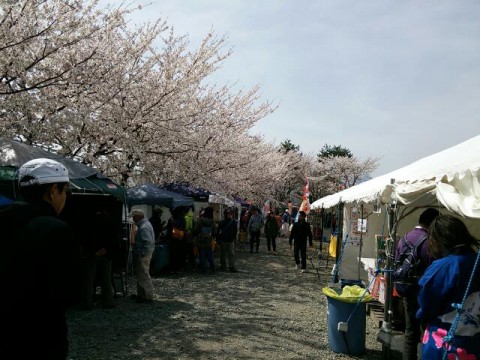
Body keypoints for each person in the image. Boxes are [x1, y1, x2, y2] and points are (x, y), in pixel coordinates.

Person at [0, 158, 79, 359]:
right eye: (65, 192)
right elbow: (67, 292)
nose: (65, 198)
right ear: (53, 190)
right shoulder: (55, 229)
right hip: (40, 336)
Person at [416, 215, 480, 359]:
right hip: (474, 345)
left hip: (445, 344)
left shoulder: (444, 266)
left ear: (438, 240)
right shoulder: (476, 261)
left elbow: (427, 304)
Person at [395, 208, 439, 360]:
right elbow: (434, 268)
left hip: (406, 289)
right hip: (424, 292)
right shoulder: (430, 241)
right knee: (427, 331)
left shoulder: (404, 238)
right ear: (433, 223)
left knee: (410, 331)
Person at [80, 210, 117, 310]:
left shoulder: (90, 223)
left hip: (93, 254)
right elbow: (113, 239)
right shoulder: (110, 223)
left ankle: (87, 303)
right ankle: (108, 301)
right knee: (106, 280)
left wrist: (93, 251)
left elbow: (86, 238)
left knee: (89, 280)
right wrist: (106, 249)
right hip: (106, 254)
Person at [129, 208, 155, 303]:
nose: (133, 219)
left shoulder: (144, 226)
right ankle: (142, 295)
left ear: (139, 216)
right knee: (141, 274)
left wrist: (142, 254)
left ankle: (147, 297)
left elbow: (147, 242)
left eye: (134, 217)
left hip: (143, 254)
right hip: (144, 253)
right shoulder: (145, 224)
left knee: (143, 275)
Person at [194, 206, 216, 274]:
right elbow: (215, 232)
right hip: (208, 240)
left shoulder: (200, 220)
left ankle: (203, 270)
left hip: (200, 239)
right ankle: (213, 269)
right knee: (209, 255)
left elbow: (195, 230)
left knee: (201, 255)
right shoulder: (212, 222)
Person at [217, 208, 238, 272]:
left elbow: (235, 231)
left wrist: (234, 238)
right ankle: (223, 266)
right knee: (222, 254)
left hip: (231, 241)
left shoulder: (234, 222)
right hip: (223, 240)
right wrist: (219, 239)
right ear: (225, 214)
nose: (229, 215)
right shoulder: (222, 222)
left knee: (231, 254)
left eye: (231, 214)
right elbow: (218, 231)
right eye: (228, 214)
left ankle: (231, 267)